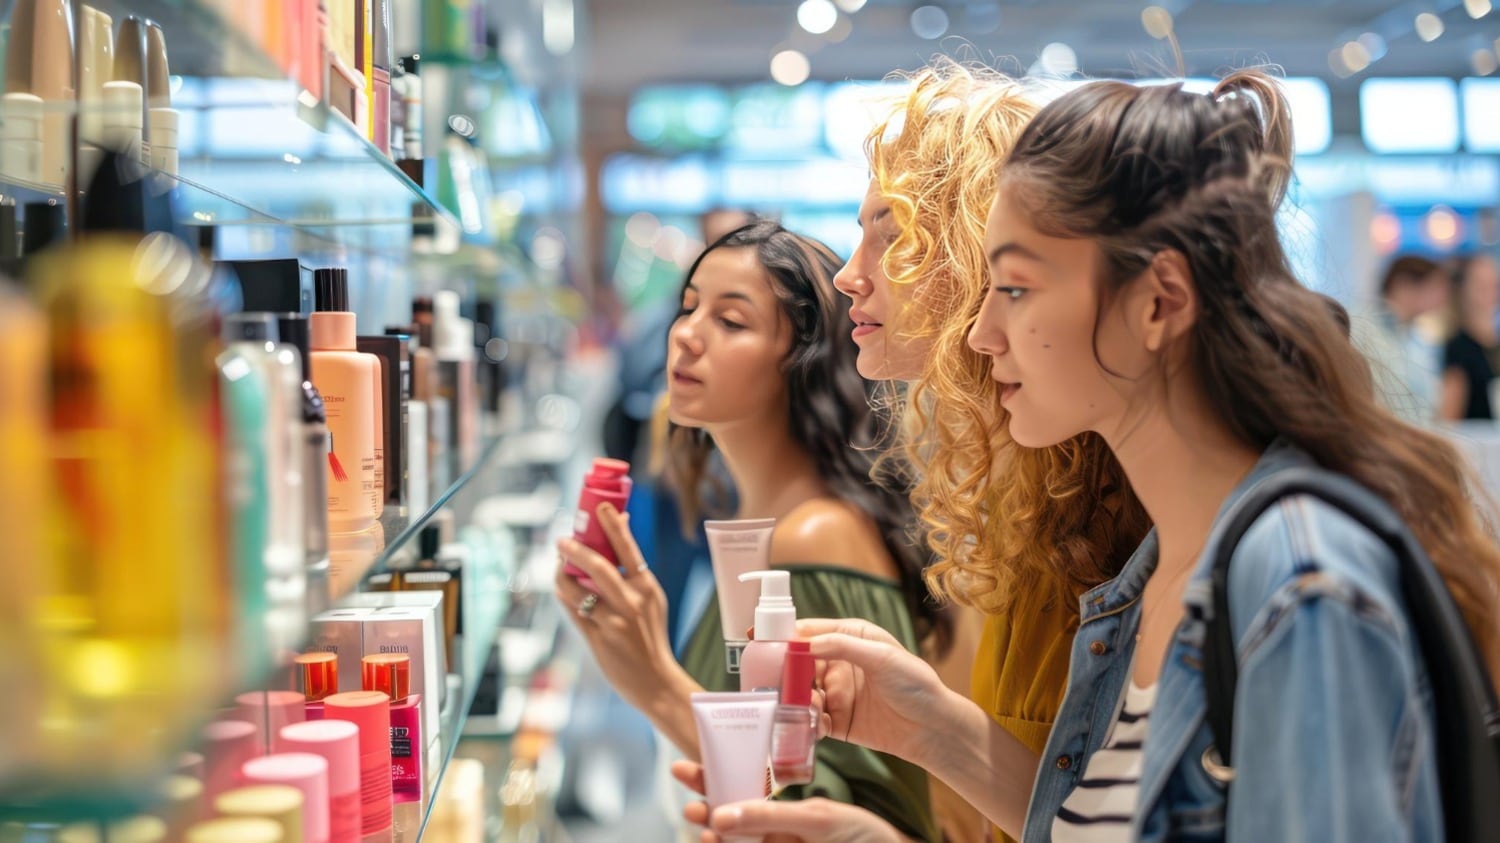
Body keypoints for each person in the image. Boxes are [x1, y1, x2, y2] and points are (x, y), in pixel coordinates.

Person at [680, 71, 1500, 843]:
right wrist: (927, 730)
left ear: (1158, 301)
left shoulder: (1294, 580)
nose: (980, 330)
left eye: (1015, 288)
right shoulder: (1140, 583)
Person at [556, 219, 945, 842]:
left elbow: (839, 813)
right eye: (688, 309)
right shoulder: (756, 524)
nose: (686, 336)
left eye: (730, 321)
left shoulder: (816, 539)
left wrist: (655, 682)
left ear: (805, 358)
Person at [1351, 254, 1447, 423]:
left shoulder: (1417, 338)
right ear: (1402, 284)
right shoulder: (1361, 327)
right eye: (1434, 287)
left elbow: (1430, 403)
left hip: (1411, 437)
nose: (1441, 297)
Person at [1440, 253, 1500, 421]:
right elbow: (1449, 416)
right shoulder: (1458, 347)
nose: (1489, 291)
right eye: (1480, 284)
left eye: (1493, 284)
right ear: (1463, 289)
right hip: (1477, 442)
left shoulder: (1495, 343)